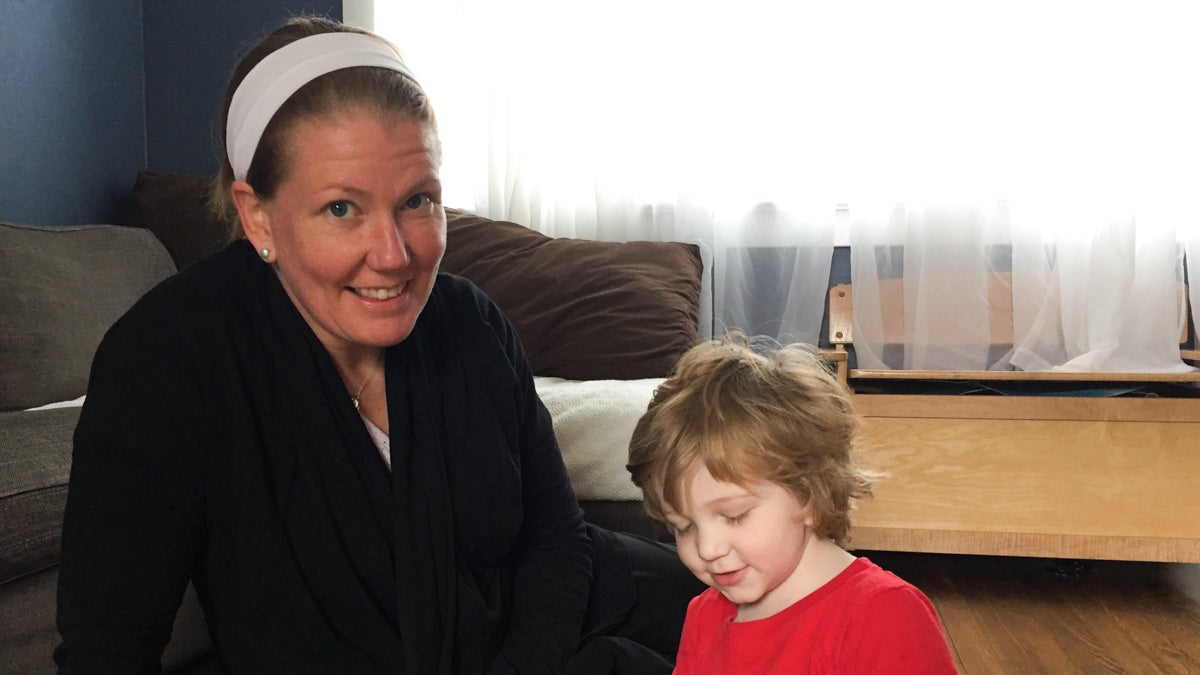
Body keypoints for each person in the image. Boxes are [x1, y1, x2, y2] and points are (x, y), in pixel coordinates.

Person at [54, 16, 701, 673]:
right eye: (342, 208)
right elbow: (107, 648)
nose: (394, 256)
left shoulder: (470, 322)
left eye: (417, 201)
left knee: (774, 602)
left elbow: (556, 538)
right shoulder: (166, 359)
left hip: (560, 618)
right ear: (256, 215)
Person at [627, 333, 959, 674]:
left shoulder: (884, 614)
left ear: (811, 494)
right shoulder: (705, 614)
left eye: (735, 516)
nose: (707, 549)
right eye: (684, 527)